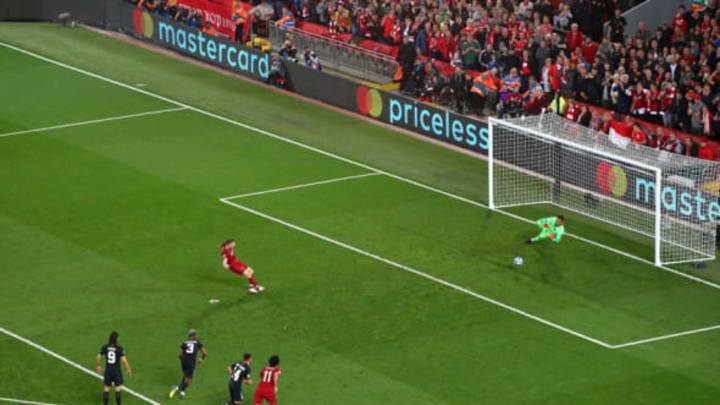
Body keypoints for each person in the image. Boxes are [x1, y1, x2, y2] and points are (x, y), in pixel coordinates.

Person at [169, 329, 208, 399]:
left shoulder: (184, 342)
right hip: (191, 363)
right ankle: (177, 387)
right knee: (189, 379)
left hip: (183, 362)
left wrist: (183, 360)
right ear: (195, 335)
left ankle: (182, 392)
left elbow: (179, 354)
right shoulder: (197, 342)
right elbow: (205, 353)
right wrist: (201, 359)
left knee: (186, 375)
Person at [96, 331, 132, 405]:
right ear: (116, 339)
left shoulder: (105, 347)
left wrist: (98, 366)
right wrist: (128, 369)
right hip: (116, 371)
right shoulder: (119, 348)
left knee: (106, 388)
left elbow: (98, 356)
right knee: (118, 389)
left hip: (108, 370)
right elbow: (124, 361)